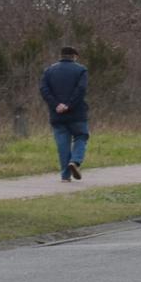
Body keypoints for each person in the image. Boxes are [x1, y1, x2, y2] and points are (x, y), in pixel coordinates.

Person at [39, 45, 91, 182]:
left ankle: (65, 177)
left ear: (61, 56)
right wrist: (68, 105)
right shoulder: (81, 70)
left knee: (62, 145)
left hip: (57, 115)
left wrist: (57, 105)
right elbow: (81, 89)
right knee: (81, 136)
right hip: (77, 113)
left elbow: (44, 90)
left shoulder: (48, 71)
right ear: (74, 56)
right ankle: (75, 161)